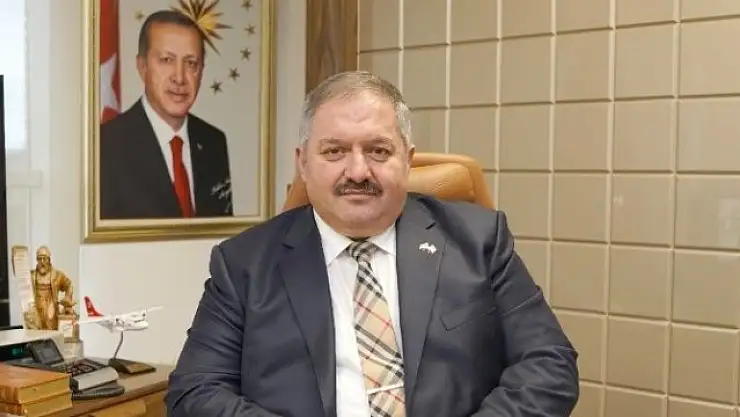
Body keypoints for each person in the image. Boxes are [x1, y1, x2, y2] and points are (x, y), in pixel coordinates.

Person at [166, 71, 579, 417]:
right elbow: (195, 391)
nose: (358, 171)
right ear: (303, 163)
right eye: (334, 151)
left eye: (378, 150)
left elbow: (549, 364)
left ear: (407, 159)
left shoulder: (478, 241)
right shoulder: (244, 264)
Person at [99, 10, 232, 220]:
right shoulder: (106, 145)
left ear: (201, 71)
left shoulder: (213, 142)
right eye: (167, 60)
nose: (179, 78)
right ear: (142, 67)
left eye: (191, 63)